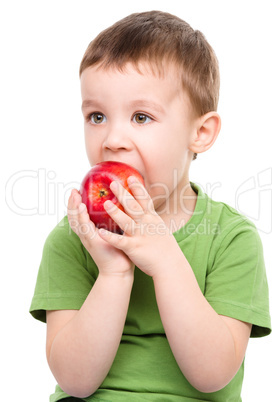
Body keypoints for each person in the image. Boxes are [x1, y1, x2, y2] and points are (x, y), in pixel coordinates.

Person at [30, 10, 271, 402]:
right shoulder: (73, 236)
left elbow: (213, 374)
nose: (113, 138)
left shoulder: (231, 238)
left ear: (201, 133)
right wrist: (114, 274)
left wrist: (166, 259)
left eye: (141, 116)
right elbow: (75, 381)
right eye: (97, 116)